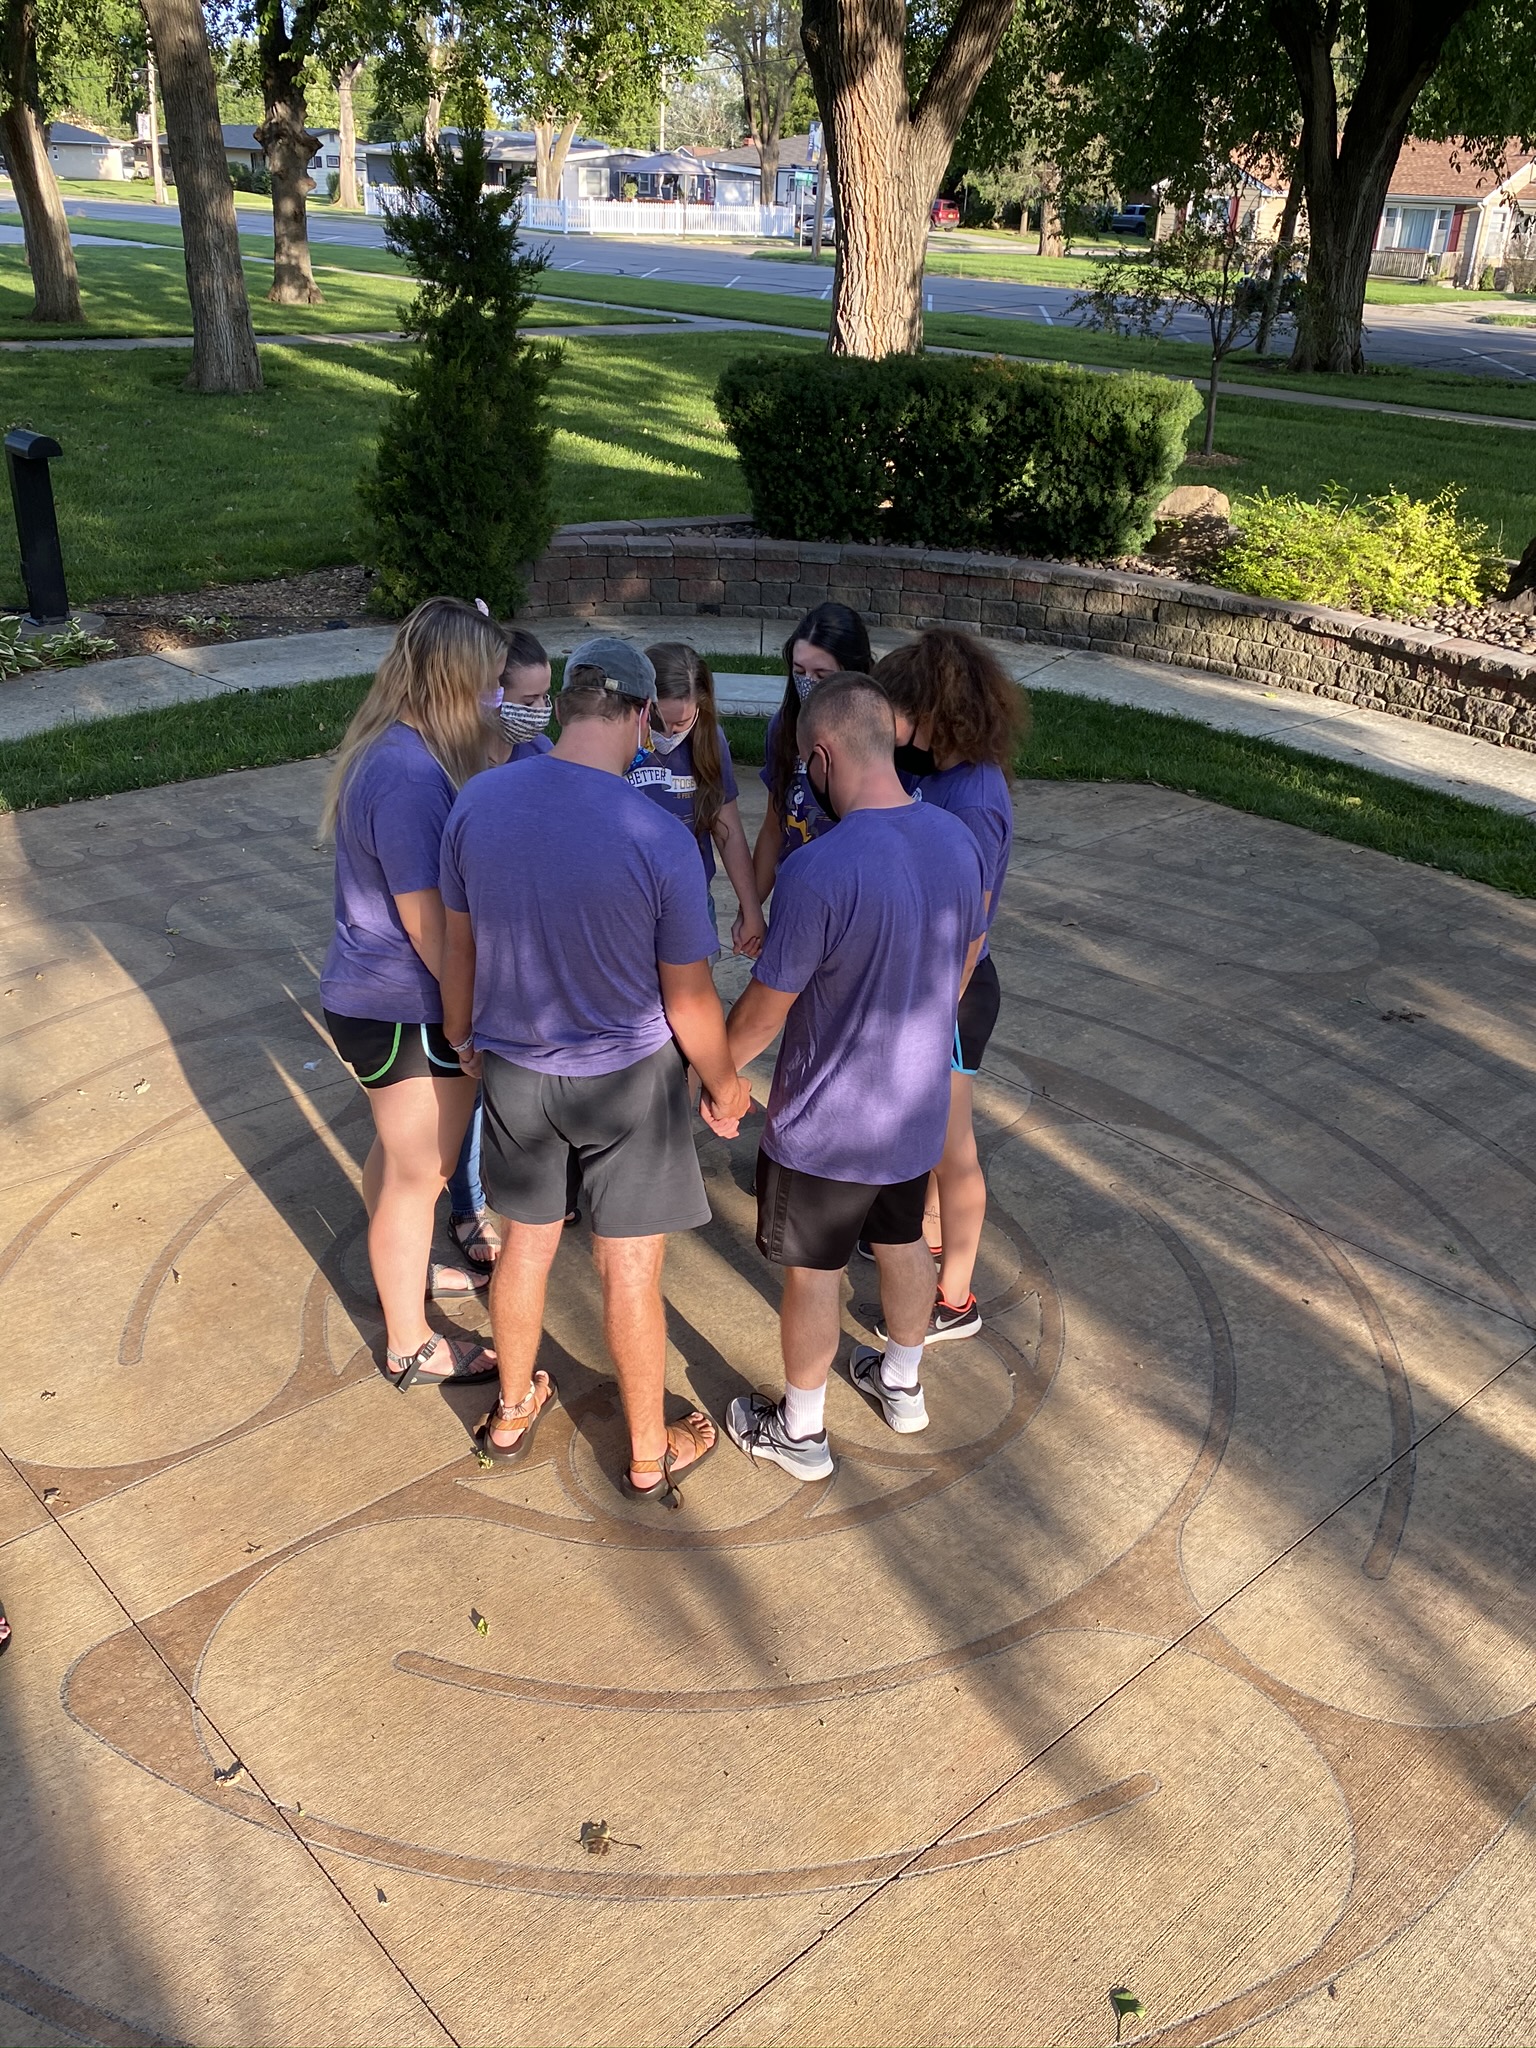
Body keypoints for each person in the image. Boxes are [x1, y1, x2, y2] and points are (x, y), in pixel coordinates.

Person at [439, 635, 753, 1503]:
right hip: (630, 1082)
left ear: (565, 704)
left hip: (517, 1069)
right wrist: (726, 1083)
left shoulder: (479, 803)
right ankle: (649, 1455)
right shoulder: (655, 836)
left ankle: (510, 1413)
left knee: (525, 1248)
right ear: (643, 715)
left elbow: (459, 946)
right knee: (630, 1270)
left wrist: (463, 1036)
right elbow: (689, 998)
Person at [716, 674, 987, 1481]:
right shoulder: (956, 840)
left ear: (825, 756)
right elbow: (968, 954)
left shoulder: (819, 871)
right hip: (913, 1109)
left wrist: (713, 1074)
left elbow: (764, 1012)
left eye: (807, 763)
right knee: (901, 1239)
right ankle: (901, 1384)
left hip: (826, 1127)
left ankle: (800, 1433)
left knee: (815, 1275)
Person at [319, 596, 506, 1390]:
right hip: (405, 1009)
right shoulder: (409, 779)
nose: (500, 696)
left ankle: (401, 1272)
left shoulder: (395, 751)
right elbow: (431, 927)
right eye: (492, 681)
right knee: (418, 1176)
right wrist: (471, 1023)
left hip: (373, 1000)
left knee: (396, 1162)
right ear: (458, 681)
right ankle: (410, 1344)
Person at [871, 630, 1026, 1341]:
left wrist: (934, 1016)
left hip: (953, 994)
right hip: (925, 981)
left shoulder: (975, 799)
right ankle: (929, 1242)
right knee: (933, 1137)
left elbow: (968, 929)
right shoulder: (935, 769)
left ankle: (956, 1299)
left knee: (952, 1147)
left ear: (938, 711)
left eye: (901, 712)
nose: (892, 726)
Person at [444, 624, 562, 1278]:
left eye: (547, 697)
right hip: (471, 947)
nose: (540, 712)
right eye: (528, 699)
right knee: (465, 1089)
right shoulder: (450, 763)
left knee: (516, 1085)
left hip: (525, 952)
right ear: (489, 694)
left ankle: (537, 1187)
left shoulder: (541, 753)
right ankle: (468, 1205)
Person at [627, 643, 766, 957]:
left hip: (691, 899)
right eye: (659, 722)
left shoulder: (709, 740)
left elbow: (728, 831)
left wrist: (751, 910)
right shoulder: (620, 741)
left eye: (682, 723)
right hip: (631, 901)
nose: (669, 733)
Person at [752, 603, 872, 908]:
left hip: (856, 902)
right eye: (799, 672)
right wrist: (749, 909)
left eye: (821, 674)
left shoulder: (879, 733)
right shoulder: (782, 728)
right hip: (796, 898)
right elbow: (773, 827)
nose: (808, 684)